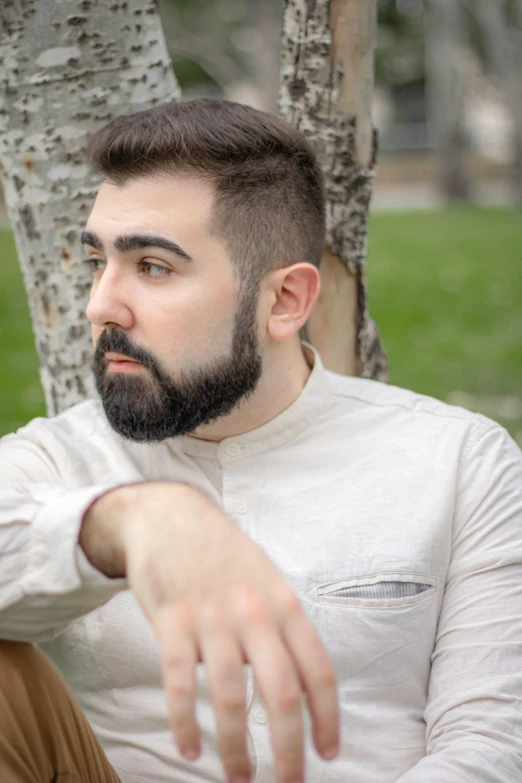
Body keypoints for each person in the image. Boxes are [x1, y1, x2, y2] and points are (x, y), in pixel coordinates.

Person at [0, 98, 521, 783]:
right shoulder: (55, 460)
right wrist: (121, 522)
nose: (101, 304)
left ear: (284, 301)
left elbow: (493, 742)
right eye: (98, 260)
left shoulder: (460, 462)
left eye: (152, 266)